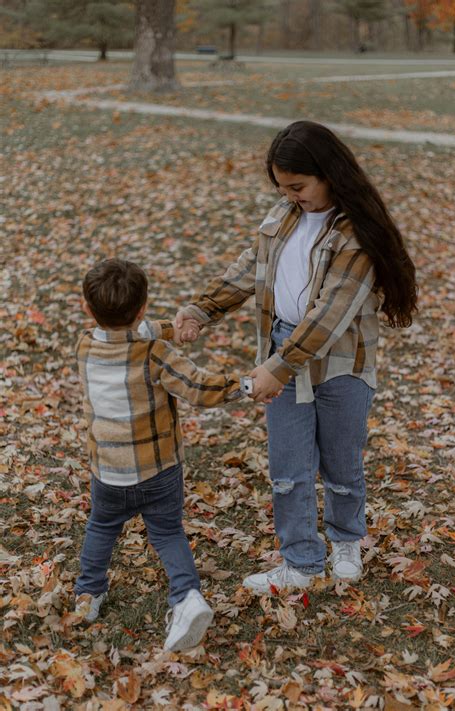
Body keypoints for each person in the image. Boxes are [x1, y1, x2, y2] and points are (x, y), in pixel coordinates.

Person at [175, 120, 418, 594]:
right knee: (288, 466)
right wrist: (203, 309)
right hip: (282, 343)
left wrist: (277, 367)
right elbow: (252, 267)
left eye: (299, 186)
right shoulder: (284, 215)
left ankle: (346, 540)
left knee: (342, 461)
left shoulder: (355, 235)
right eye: (284, 188)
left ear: (329, 175)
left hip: (342, 358)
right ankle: (302, 562)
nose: (292, 196)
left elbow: (329, 316)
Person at [74, 258, 245, 651]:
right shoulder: (154, 354)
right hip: (159, 470)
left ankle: (88, 595)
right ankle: (186, 596)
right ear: (143, 307)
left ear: (87, 309)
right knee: (167, 532)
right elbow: (198, 387)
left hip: (108, 473)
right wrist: (245, 386)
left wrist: (173, 328)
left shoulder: (84, 345)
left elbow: (130, 330)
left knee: (101, 529)